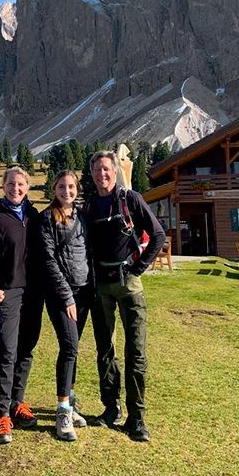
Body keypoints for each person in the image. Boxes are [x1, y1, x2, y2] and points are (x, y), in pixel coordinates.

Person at [85, 150, 165, 442]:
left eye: (106, 169)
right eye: (97, 170)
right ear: (92, 174)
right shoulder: (89, 206)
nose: (101, 175)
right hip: (100, 288)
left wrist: (138, 268)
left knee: (136, 351)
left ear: (115, 170)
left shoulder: (130, 199)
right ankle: (111, 409)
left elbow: (158, 235)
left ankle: (137, 417)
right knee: (105, 349)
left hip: (129, 285)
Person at [0, 166, 43, 444]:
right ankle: (2, 414)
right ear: (2, 186)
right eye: (10, 184)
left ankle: (18, 402)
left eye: (20, 184)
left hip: (34, 293)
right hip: (6, 293)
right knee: (6, 351)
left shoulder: (34, 216)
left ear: (27, 187)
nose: (16, 188)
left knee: (26, 349)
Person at [38, 170, 93, 442]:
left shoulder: (82, 216)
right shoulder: (47, 218)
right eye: (62, 186)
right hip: (61, 295)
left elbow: (88, 252)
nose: (67, 191)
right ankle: (62, 412)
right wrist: (66, 296)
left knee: (74, 348)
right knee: (69, 346)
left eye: (71, 186)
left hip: (84, 292)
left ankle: (70, 403)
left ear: (77, 189)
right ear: (54, 189)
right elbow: (47, 260)